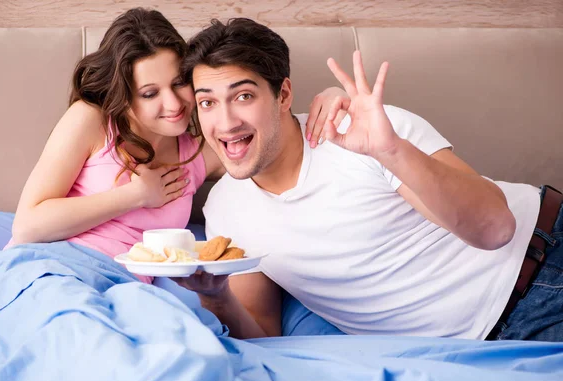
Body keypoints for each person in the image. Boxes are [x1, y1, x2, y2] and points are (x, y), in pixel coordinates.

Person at [174, 17, 563, 341]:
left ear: (284, 94)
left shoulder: (366, 131)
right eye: (207, 102)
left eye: (243, 96)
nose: (225, 122)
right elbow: (261, 333)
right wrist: (216, 296)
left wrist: (390, 150)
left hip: (544, 256)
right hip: (486, 343)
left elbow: (496, 229)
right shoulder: (225, 210)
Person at [7, 8, 341, 284]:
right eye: (150, 93)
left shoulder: (199, 150)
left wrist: (333, 101)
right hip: (58, 269)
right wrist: (135, 195)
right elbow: (27, 225)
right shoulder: (91, 121)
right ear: (123, 97)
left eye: (179, 83)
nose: (174, 103)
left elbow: (272, 138)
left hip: (128, 291)